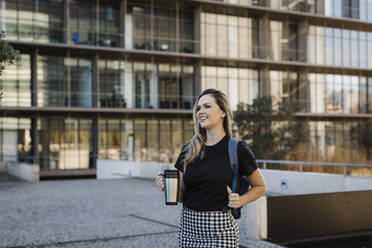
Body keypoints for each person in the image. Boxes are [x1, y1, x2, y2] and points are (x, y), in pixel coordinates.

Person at [155, 88, 266, 248]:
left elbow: (260, 186)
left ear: (223, 112)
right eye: (198, 108)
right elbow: (180, 196)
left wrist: (241, 200)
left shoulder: (237, 149)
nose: (201, 111)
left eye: (207, 106)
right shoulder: (188, 150)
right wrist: (166, 185)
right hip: (188, 229)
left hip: (220, 233)